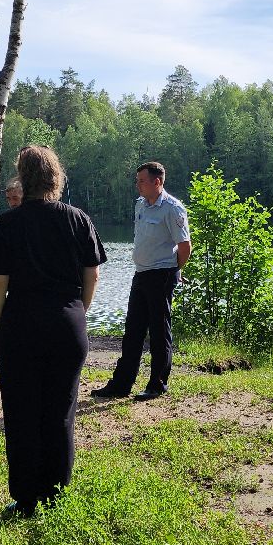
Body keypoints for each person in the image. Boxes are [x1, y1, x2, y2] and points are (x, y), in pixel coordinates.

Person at [0, 145, 106, 516]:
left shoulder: (9, 222)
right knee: (61, 409)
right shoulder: (77, 218)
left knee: (21, 411)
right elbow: (92, 273)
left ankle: (26, 498)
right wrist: (79, 310)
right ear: (55, 177)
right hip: (67, 323)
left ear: (24, 178)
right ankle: (55, 493)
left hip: (21, 323)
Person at [92, 161, 191, 402]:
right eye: (137, 181)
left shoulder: (172, 208)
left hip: (162, 274)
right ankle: (121, 384)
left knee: (159, 331)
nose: (137, 185)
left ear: (157, 182)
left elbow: (185, 246)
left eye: (142, 181)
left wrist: (173, 270)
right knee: (133, 330)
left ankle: (157, 385)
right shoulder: (140, 205)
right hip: (141, 274)